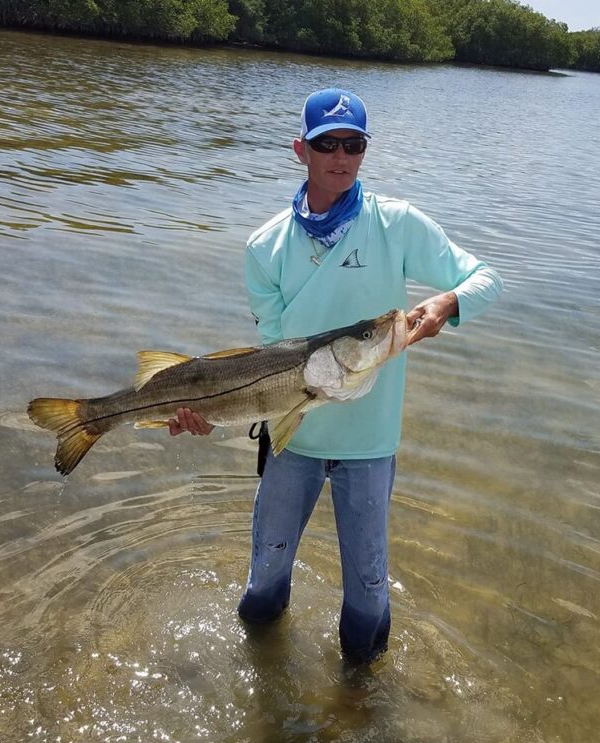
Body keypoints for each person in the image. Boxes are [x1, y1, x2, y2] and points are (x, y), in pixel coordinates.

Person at [168, 88, 503, 663]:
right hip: (291, 438)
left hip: (370, 445)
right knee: (264, 580)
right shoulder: (265, 246)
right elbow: (269, 357)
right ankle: (263, 681)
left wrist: (448, 302)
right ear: (301, 149)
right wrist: (209, 412)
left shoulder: (396, 225)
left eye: (354, 145)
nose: (340, 156)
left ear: (365, 151)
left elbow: (485, 277)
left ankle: (361, 696)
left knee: (369, 595)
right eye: (327, 143)